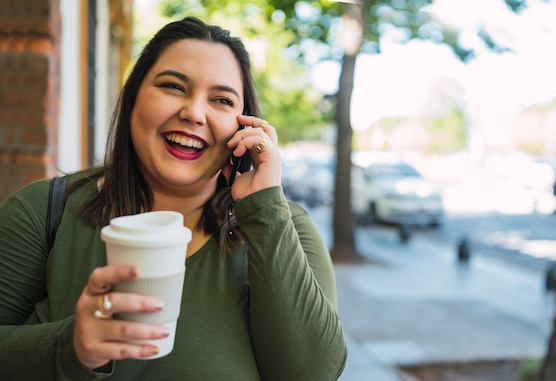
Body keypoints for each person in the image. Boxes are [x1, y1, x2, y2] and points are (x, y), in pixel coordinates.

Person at [0, 17, 347, 380]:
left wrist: (265, 211)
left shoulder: (284, 228)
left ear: (244, 127)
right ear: (133, 96)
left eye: (221, 99)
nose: (194, 113)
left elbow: (314, 373)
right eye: (173, 86)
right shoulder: (41, 214)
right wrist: (70, 346)